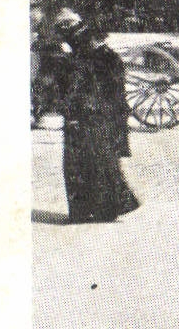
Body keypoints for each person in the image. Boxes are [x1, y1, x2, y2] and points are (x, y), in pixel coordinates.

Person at [54, 17, 139, 224]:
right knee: (98, 162)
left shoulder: (97, 59)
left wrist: (75, 109)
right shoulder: (95, 58)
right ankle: (101, 209)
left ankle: (93, 210)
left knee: (91, 162)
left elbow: (88, 90)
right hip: (94, 117)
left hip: (92, 117)